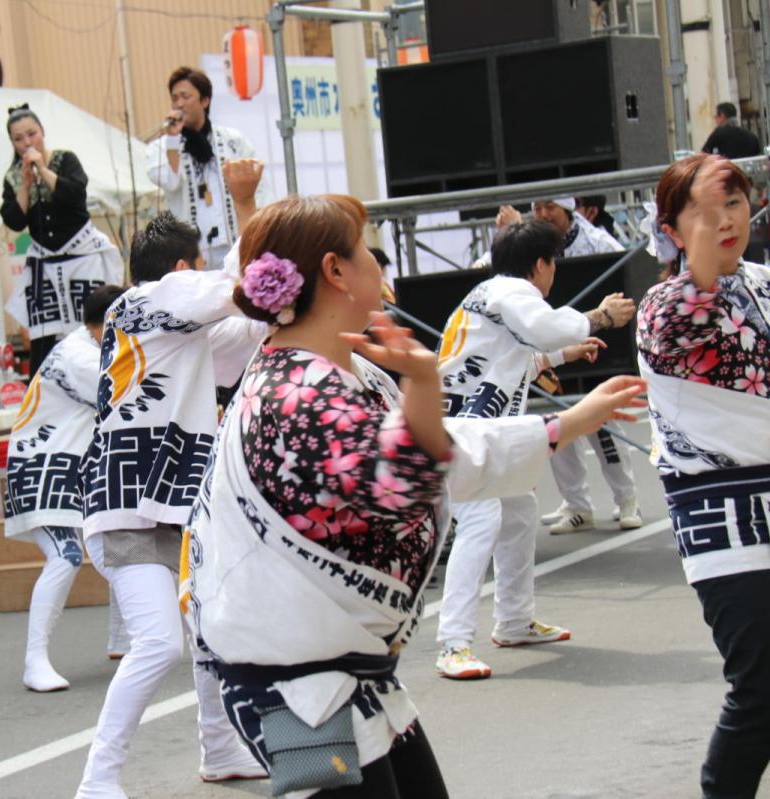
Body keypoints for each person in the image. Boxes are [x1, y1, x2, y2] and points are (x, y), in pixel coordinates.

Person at [182, 194, 648, 798]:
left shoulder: (341, 369)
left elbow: (434, 451)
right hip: (289, 683)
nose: (381, 267)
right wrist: (431, 383)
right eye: (365, 252)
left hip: (342, 670)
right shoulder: (294, 392)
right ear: (336, 271)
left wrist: (565, 423)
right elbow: (409, 469)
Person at [76, 211, 268, 798]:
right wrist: (246, 202)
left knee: (208, 626)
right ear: (182, 267)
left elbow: (242, 331)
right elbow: (240, 289)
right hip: (129, 502)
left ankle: (218, 747)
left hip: (174, 500)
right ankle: (96, 781)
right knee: (159, 641)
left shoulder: (172, 326)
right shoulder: (150, 299)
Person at [434, 219, 636, 680]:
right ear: (541, 264)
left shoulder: (491, 296)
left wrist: (570, 351)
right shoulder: (513, 294)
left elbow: (524, 355)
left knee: (520, 511)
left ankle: (513, 620)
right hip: (467, 433)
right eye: (553, 264)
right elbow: (543, 331)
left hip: (475, 429)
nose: (553, 273)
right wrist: (599, 315)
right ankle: (453, 643)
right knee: (483, 519)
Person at [636, 154, 770, 798]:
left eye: (735, 204)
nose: (724, 221)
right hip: (724, 519)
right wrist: (702, 263)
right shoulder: (665, 302)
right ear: (672, 226)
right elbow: (692, 309)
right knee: (761, 687)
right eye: (704, 212)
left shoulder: (766, 284)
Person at [5, 284, 127, 692]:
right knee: (66, 554)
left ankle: (124, 640)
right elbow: (125, 397)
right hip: (43, 466)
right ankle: (33, 660)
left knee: (121, 540)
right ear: (109, 323)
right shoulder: (81, 356)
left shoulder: (92, 349)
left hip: (72, 465)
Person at [499, 197, 645, 534]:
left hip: (589, 344)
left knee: (603, 427)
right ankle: (577, 504)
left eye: (551, 206)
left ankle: (626, 498)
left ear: (568, 210)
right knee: (557, 429)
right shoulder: (525, 251)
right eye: (537, 207)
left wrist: (601, 320)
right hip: (549, 349)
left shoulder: (597, 240)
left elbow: (622, 275)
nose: (544, 213)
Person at [0, 104, 124, 372]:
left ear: (42, 132)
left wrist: (43, 170)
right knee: (45, 335)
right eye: (18, 139)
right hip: (45, 260)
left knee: (92, 324)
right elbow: (14, 220)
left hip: (81, 254)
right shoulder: (12, 177)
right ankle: (45, 392)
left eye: (32, 134)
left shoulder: (64, 160)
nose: (27, 143)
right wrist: (25, 184)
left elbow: (75, 196)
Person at [147, 66, 270, 271]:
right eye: (174, 98)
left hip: (234, 242)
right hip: (192, 253)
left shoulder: (232, 140)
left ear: (204, 100)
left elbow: (259, 188)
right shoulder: (162, 146)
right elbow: (169, 181)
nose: (179, 104)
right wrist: (172, 141)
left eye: (185, 96)